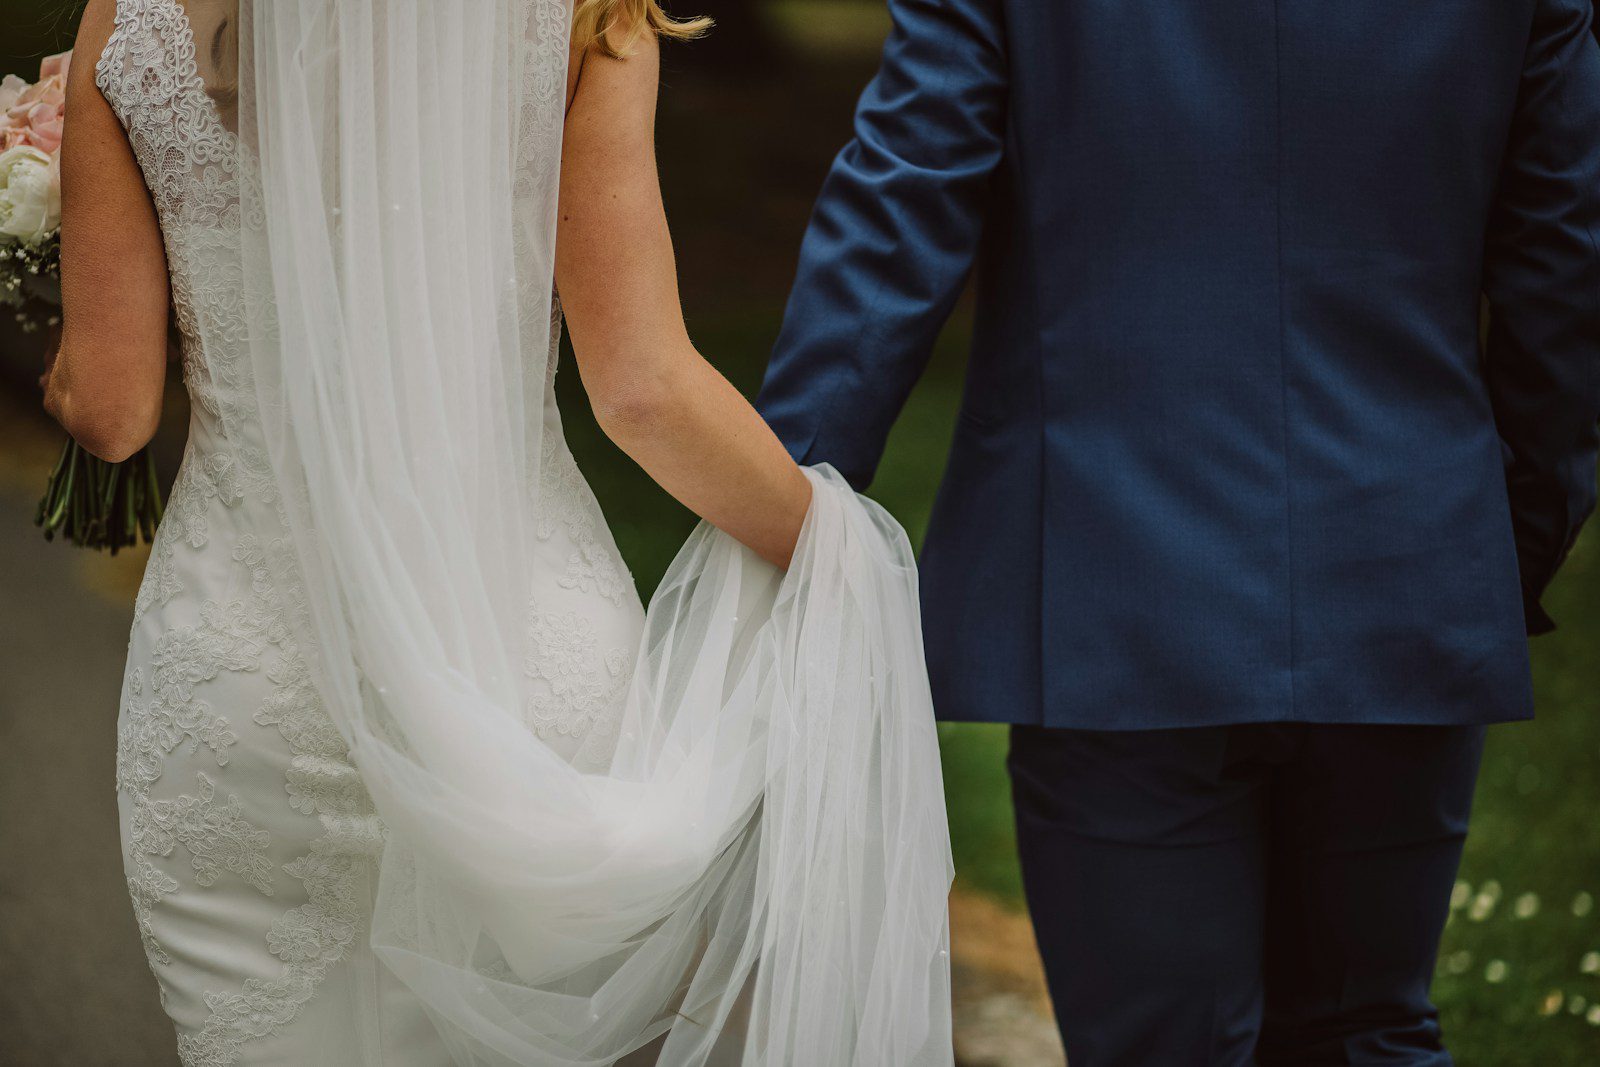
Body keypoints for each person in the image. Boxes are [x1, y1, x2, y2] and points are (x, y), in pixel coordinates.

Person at [43, 0, 953, 1063]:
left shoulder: (132, 19)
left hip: (249, 687)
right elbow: (643, 390)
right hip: (520, 667)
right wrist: (834, 547)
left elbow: (111, 410)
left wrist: (51, 257)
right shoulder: (591, 18)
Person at [757, 1, 1600, 1064]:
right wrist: (1501, 540)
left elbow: (902, 205)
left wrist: (780, 503)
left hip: (1112, 579)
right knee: (1366, 1028)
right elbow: (1563, 259)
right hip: (1402, 557)